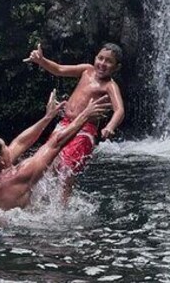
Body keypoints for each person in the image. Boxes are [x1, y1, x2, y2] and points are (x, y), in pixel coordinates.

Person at [0, 90, 111, 210]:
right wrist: (85, 115)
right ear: (0, 159)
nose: (9, 148)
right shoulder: (20, 175)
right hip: (12, 232)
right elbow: (55, 144)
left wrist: (48, 117)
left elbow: (20, 143)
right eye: (5, 147)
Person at [24, 43, 125, 197]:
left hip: (85, 131)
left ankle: (63, 208)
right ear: (95, 57)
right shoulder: (86, 70)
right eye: (100, 58)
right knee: (47, 163)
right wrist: (41, 60)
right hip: (64, 124)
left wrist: (110, 126)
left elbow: (119, 110)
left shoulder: (110, 86)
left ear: (117, 67)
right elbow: (59, 69)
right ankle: (41, 201)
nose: (102, 63)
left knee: (67, 169)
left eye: (109, 61)